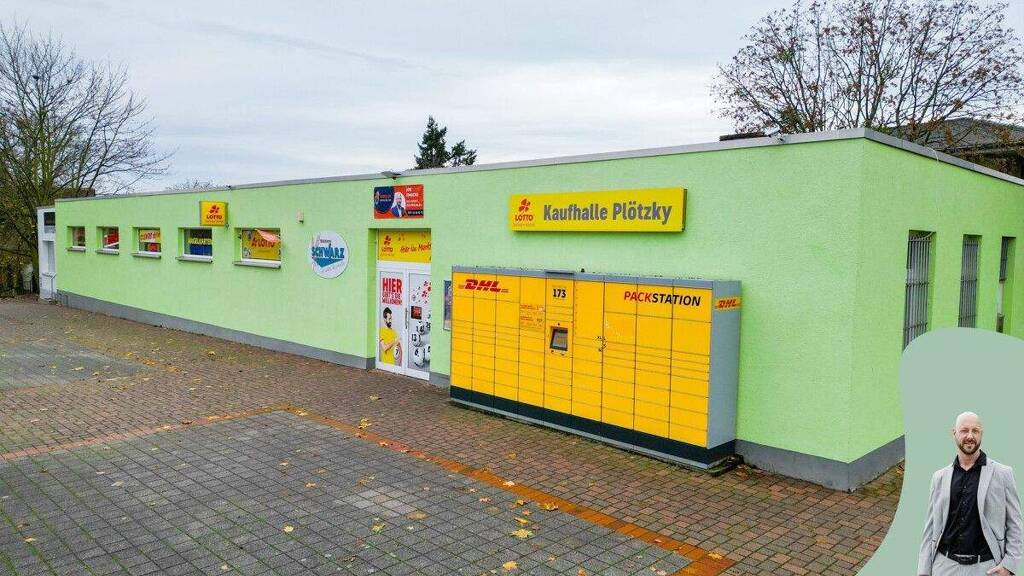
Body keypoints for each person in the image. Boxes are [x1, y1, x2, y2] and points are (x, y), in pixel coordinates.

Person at [919, 412, 1022, 576]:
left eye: (975, 430)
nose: (970, 436)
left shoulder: (1003, 474)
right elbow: (931, 527)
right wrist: (923, 571)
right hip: (944, 567)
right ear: (954, 433)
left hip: (987, 568)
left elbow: (1015, 524)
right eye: (964, 430)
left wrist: (1009, 565)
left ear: (981, 433)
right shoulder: (939, 477)